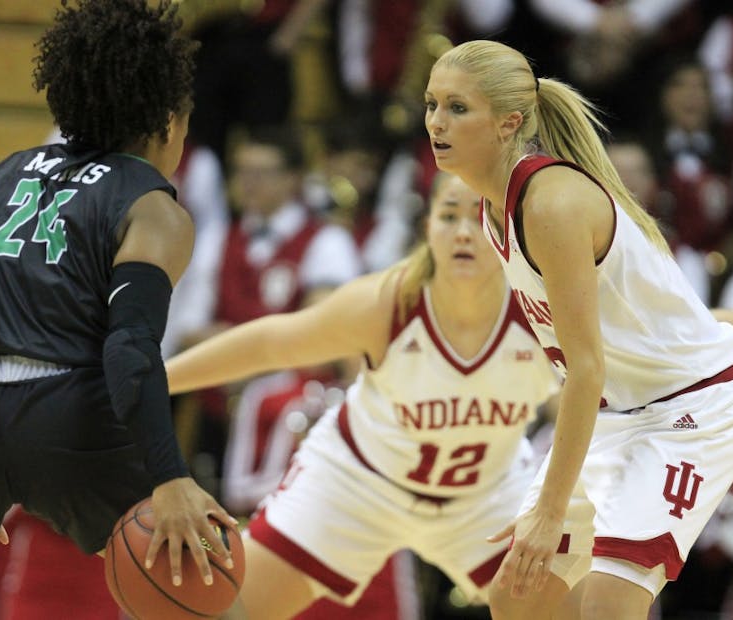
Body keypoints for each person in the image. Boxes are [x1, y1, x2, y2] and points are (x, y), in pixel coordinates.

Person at [424, 39, 733, 618]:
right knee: (515, 596)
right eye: (431, 103)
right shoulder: (491, 207)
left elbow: (585, 367)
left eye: (457, 107)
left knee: (607, 606)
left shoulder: (551, 202)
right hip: (619, 410)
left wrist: (550, 509)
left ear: (508, 124)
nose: (435, 121)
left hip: (690, 413)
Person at [0, 1, 237, 618]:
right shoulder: (153, 209)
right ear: (170, 122)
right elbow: (129, 350)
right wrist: (170, 474)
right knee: (204, 588)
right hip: (66, 414)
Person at [166, 171, 562, 619]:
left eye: (481, 215)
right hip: (359, 482)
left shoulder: (545, 312)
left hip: (486, 493)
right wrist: (156, 381)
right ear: (428, 224)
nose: (464, 232)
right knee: (229, 611)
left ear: (512, 228)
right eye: (449, 215)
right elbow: (270, 343)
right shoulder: (386, 302)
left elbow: (587, 403)